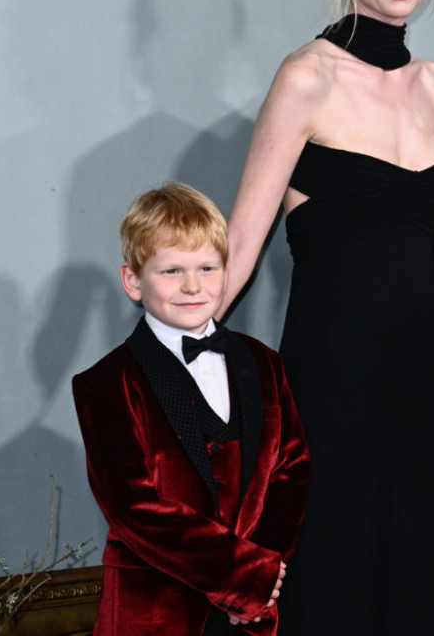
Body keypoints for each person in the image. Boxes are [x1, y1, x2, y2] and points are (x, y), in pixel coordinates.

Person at [223, 0, 434, 635]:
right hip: (334, 379)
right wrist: (167, 366)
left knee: (423, 585)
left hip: (430, 383)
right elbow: (240, 244)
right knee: (334, 581)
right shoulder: (306, 78)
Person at [72, 183, 310, 636]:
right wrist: (240, 576)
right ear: (133, 281)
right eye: (171, 271)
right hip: (155, 612)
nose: (192, 286)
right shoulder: (104, 384)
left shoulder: (263, 362)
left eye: (206, 267)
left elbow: (291, 470)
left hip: (254, 612)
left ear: (226, 271)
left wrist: (262, 577)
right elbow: (133, 507)